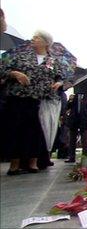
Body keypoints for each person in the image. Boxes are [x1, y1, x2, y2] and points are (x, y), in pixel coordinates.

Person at [0, 30, 65, 175]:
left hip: (38, 99)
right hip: (18, 97)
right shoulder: (21, 55)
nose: (33, 39)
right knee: (16, 130)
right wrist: (15, 73)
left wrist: (58, 83)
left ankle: (33, 162)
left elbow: (60, 77)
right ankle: (15, 164)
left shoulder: (52, 61)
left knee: (35, 131)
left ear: (46, 42)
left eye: (37, 37)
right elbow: (3, 69)